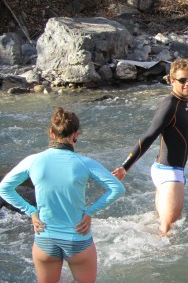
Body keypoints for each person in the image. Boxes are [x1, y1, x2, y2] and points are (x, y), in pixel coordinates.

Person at [0, 107, 125, 283]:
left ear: (51, 133)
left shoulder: (33, 160)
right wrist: (90, 212)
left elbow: (4, 188)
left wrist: (31, 212)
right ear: (76, 134)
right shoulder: (84, 163)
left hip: (45, 239)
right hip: (77, 240)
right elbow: (118, 189)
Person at [112, 58, 188, 235]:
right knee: (168, 231)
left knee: (161, 227)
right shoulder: (170, 105)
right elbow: (148, 136)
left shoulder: (184, 101)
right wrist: (125, 167)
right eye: (182, 80)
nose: (187, 84)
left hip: (168, 170)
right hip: (170, 174)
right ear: (172, 81)